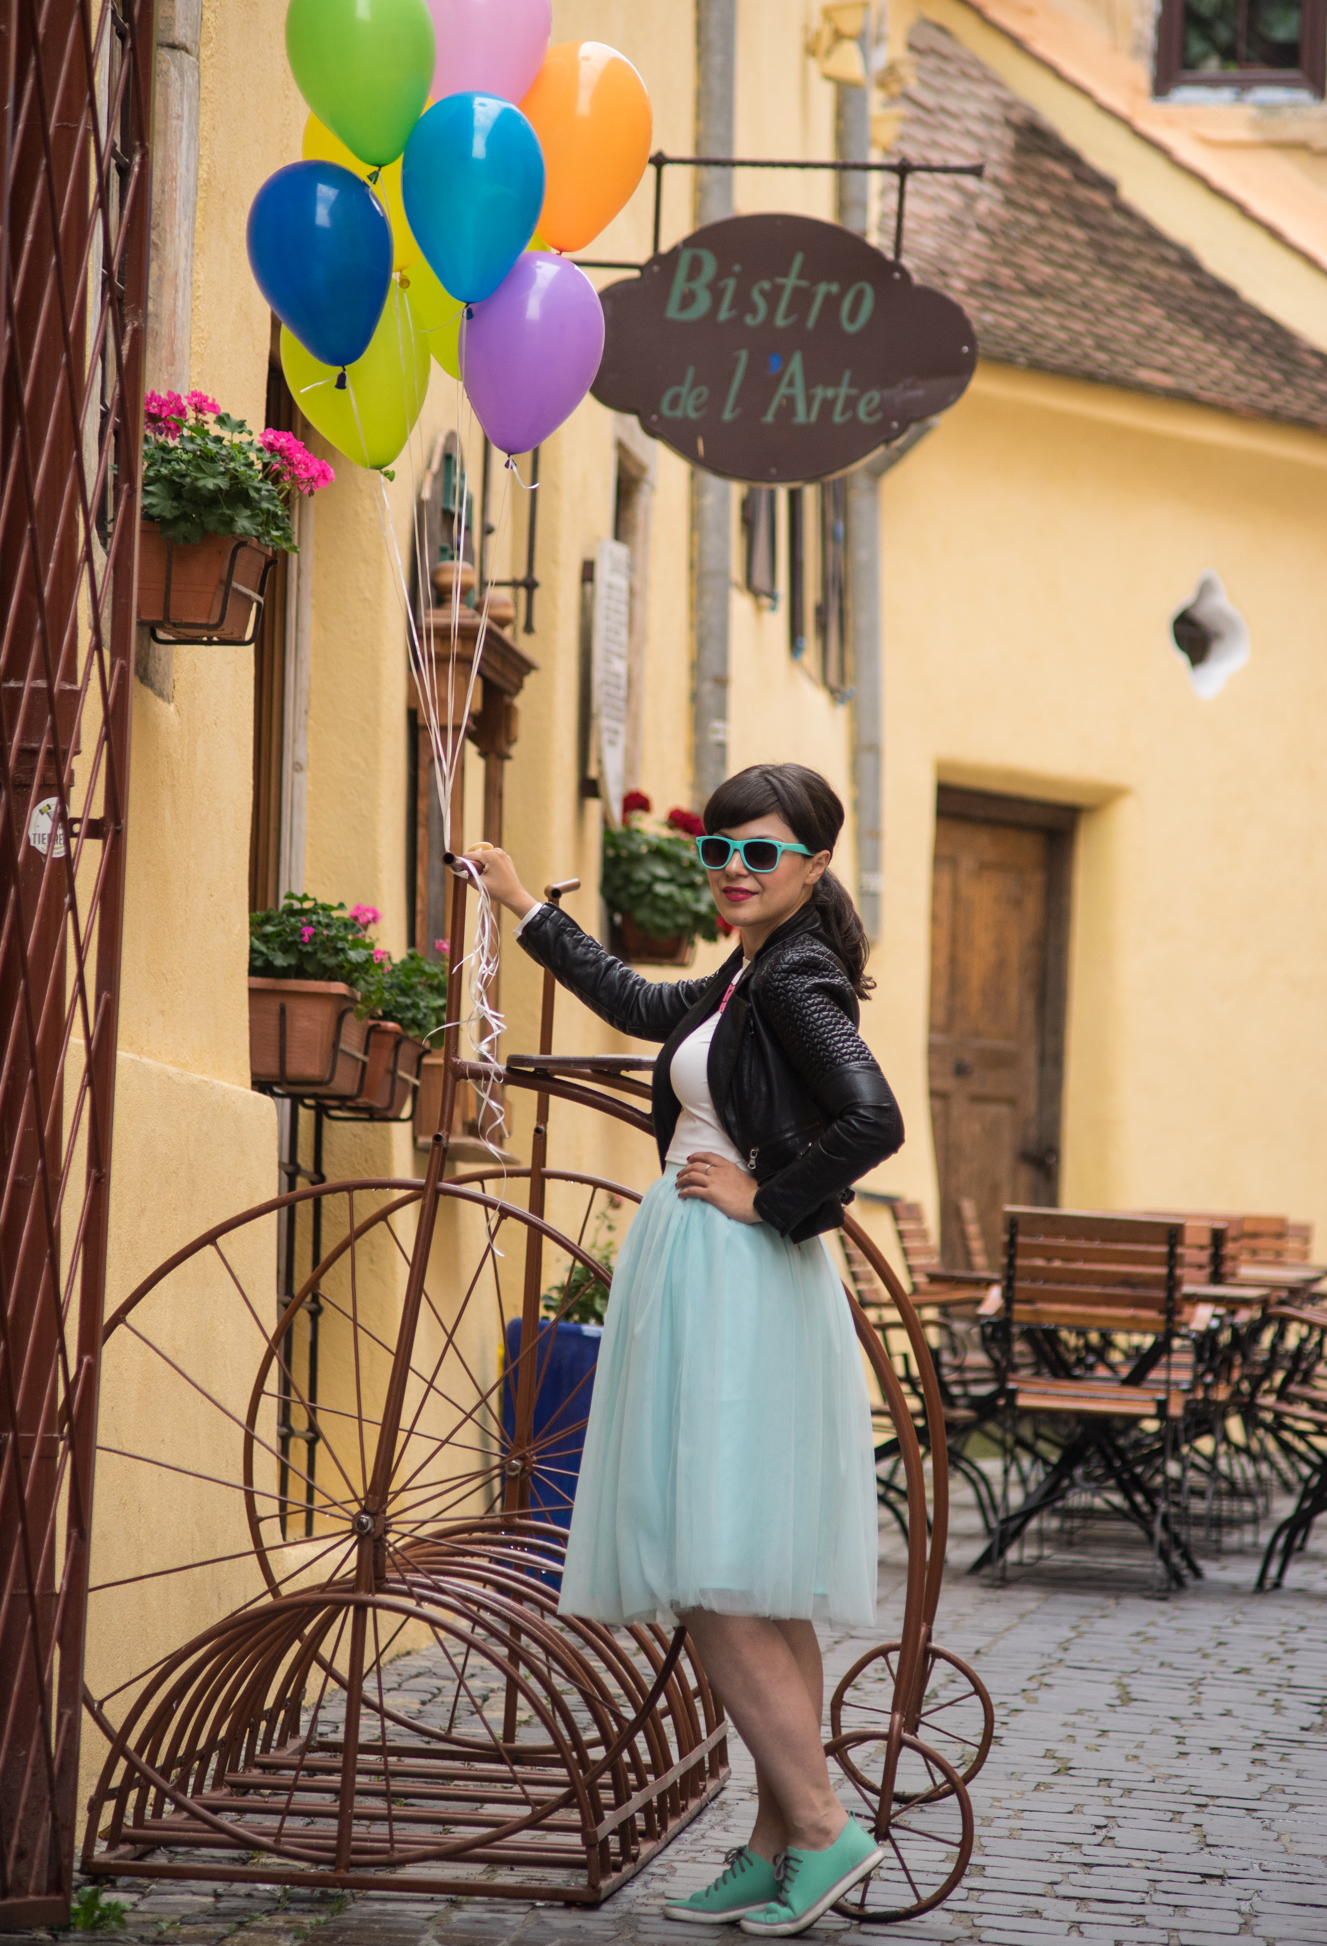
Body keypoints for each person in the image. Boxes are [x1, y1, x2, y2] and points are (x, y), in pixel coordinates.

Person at [468, 762, 904, 1937]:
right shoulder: (751, 972)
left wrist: (767, 1199)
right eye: (718, 851)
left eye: (758, 852)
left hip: (737, 1274)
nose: (730, 871)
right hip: (719, 1274)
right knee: (748, 1561)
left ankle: (821, 1828)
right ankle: (773, 1846)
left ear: (813, 865)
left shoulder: (798, 975)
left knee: (706, 1562)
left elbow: (875, 1116)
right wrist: (526, 906)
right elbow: (642, 1006)